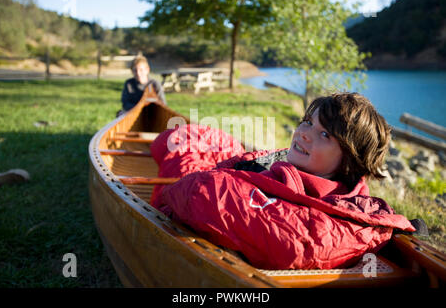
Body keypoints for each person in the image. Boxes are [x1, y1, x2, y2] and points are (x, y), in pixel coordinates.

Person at [149, 92, 417, 270]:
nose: (303, 133)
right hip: (227, 168)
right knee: (193, 138)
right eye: (307, 122)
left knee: (184, 144)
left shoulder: (340, 219)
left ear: (349, 161)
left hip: (195, 183)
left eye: (324, 134)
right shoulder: (289, 170)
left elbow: (197, 192)